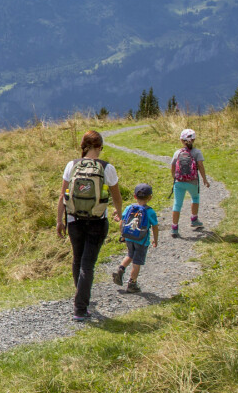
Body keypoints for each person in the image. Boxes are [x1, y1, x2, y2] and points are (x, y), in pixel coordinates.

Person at [56, 130, 124, 321]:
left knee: (77, 259)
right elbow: (116, 196)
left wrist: (59, 221)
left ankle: (80, 296)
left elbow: (62, 195)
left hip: (74, 220)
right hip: (97, 220)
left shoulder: (72, 165)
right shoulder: (107, 168)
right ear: (100, 147)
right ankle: (80, 308)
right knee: (88, 264)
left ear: (83, 147)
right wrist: (119, 213)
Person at [112, 183, 160, 293]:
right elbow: (155, 227)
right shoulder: (150, 212)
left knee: (130, 255)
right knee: (137, 261)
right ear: (150, 197)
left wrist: (123, 235)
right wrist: (155, 239)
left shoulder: (129, 208)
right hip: (141, 240)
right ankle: (132, 284)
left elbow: (122, 222)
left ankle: (121, 269)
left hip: (129, 237)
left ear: (134, 196)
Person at [169, 128, 212, 237]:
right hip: (192, 182)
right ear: (194, 140)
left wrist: (175, 177)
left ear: (181, 140)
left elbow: (173, 166)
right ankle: (194, 219)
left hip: (179, 182)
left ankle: (174, 228)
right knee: (195, 198)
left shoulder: (177, 152)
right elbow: (200, 165)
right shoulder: (197, 152)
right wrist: (204, 179)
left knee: (177, 204)